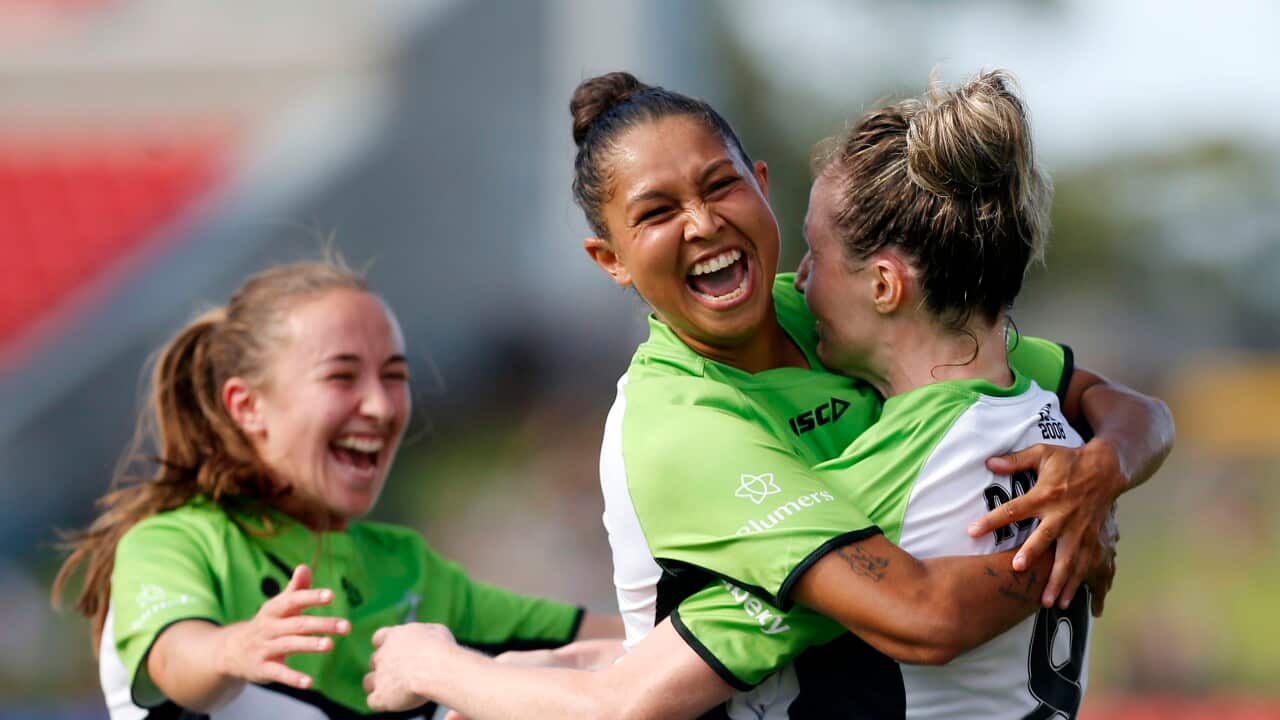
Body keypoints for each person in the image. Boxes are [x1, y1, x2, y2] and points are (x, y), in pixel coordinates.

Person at [364, 71, 1173, 718]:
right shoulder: (683, 426)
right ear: (608, 260)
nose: (702, 224)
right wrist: (1082, 524)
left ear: (758, 182)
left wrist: (1103, 471)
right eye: (656, 212)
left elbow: (1126, 411)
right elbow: (639, 688)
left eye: (718, 186)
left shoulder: (857, 350)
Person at [52, 259, 620, 719]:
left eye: (394, 376)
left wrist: (698, 632)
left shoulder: (406, 566)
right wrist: (234, 647)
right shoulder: (174, 541)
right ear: (247, 407)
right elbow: (177, 662)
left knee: (548, 671)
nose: (379, 405)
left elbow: (607, 641)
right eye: (341, 376)